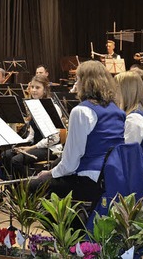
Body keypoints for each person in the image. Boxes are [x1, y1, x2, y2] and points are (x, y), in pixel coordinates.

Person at [29, 60, 125, 205]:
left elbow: (71, 163)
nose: (76, 84)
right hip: (112, 177)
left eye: (77, 79)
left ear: (85, 83)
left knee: (33, 186)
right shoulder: (116, 109)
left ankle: (70, 225)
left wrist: (50, 173)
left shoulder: (81, 111)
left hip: (89, 180)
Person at [1, 75, 62, 179]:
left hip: (50, 148)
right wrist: (21, 144)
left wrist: (30, 148)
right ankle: (13, 190)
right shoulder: (33, 106)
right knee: (6, 155)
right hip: (36, 145)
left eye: (37, 88)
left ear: (45, 89)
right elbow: (31, 136)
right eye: (32, 87)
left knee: (16, 160)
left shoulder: (53, 108)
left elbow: (53, 138)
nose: (33, 90)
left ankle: (32, 185)